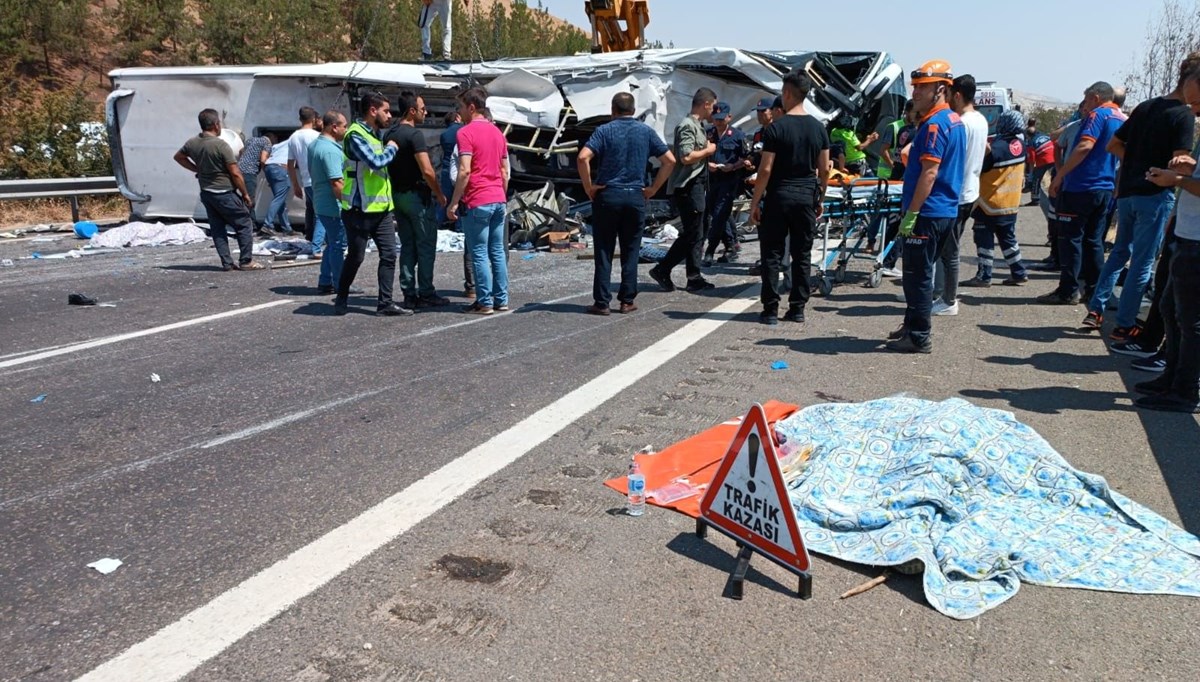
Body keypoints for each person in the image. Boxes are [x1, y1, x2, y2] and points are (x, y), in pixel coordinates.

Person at [1081, 59, 1196, 339]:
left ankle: (1095, 310)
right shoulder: (1183, 115)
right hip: (1155, 194)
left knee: (1119, 253)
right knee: (1143, 262)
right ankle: (1124, 323)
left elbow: (1114, 144)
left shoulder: (1146, 106)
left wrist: (1134, 163)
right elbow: (1179, 162)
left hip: (1128, 193)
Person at [886, 60, 966, 353]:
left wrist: (912, 213)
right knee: (919, 273)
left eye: (922, 87)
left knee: (917, 276)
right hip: (944, 210)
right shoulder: (954, 121)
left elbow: (929, 172)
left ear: (941, 89)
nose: (916, 93)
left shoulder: (935, 125)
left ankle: (919, 335)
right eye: (916, 87)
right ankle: (911, 324)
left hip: (928, 212)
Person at [577, 92, 676, 315]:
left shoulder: (604, 131)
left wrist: (589, 187)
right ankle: (627, 300)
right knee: (631, 249)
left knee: (604, 250)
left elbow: (583, 157)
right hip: (635, 196)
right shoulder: (646, 131)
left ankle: (602, 302)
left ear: (613, 110)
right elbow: (669, 160)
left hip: (608, 195)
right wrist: (653, 188)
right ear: (633, 110)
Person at [1137, 71, 1200, 413]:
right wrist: (1187, 168)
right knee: (1171, 311)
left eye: (1197, 102)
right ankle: (1172, 380)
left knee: (1190, 321)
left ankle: (1187, 391)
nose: (1193, 111)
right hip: (1186, 233)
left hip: (1197, 241)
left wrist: (1175, 179)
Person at [749, 70, 830, 325]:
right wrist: (820, 198)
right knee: (801, 253)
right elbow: (825, 169)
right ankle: (797, 308)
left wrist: (755, 202)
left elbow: (765, 170)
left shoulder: (775, 129)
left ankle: (770, 309)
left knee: (772, 253)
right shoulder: (819, 129)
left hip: (779, 195)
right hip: (805, 195)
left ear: (786, 93)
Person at [1040, 82, 1125, 305]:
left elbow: (1085, 146)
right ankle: (1093, 289)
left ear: (1096, 97)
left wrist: (1060, 175)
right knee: (1094, 240)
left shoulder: (1097, 115)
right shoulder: (1121, 118)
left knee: (1070, 239)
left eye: (1086, 99)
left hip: (1080, 187)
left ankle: (1068, 290)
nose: (1084, 105)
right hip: (1104, 188)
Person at [335, 92, 410, 317]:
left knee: (389, 255)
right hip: (359, 210)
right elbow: (376, 162)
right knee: (356, 257)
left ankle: (385, 303)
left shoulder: (376, 135)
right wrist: (393, 148)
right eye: (386, 111)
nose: (390, 115)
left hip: (382, 210)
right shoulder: (355, 135)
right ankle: (341, 296)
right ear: (372, 111)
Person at [172, 108, 264, 271]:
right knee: (244, 222)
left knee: (217, 227)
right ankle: (246, 261)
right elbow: (235, 173)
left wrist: (197, 169)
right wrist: (245, 194)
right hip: (224, 192)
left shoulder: (192, 143)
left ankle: (227, 263)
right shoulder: (221, 145)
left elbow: (179, 157)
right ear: (216, 124)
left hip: (207, 193)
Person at [447, 87, 511, 315]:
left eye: (461, 107)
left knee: (479, 252)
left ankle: (484, 301)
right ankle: (501, 298)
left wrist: (454, 202)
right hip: (498, 199)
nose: (460, 112)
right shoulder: (498, 133)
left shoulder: (465, 133)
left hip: (478, 199)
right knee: (497, 251)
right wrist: (501, 194)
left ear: (471, 107)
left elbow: (464, 170)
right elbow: (504, 172)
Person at [648, 87, 718, 293]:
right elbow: (686, 156)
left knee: (698, 231)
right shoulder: (687, 126)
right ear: (705, 104)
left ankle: (692, 276)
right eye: (713, 106)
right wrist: (708, 151)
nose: (714, 111)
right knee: (692, 234)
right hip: (688, 187)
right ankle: (665, 269)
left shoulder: (698, 126)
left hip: (697, 186)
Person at [932, 75, 988, 317]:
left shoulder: (961, 123)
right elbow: (985, 149)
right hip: (970, 190)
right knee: (946, 247)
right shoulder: (981, 120)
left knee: (949, 251)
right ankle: (939, 293)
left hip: (956, 192)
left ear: (956, 95)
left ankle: (948, 299)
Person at [387, 91, 449, 309]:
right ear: (412, 111)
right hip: (417, 197)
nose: (426, 112)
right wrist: (440, 194)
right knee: (425, 245)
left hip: (397, 196)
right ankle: (426, 292)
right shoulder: (414, 136)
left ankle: (408, 292)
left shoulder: (391, 133)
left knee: (407, 245)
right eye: (423, 109)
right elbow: (427, 170)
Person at [962, 109, 1028, 287]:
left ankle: (984, 276)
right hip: (1010, 202)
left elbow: (980, 167)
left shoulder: (997, 148)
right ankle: (1018, 271)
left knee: (983, 238)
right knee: (1008, 238)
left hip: (989, 202)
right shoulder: (1021, 146)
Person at [308, 110, 359, 296]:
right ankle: (340, 284)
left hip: (322, 202)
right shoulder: (330, 150)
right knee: (338, 245)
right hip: (333, 206)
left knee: (332, 244)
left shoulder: (315, 145)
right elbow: (337, 182)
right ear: (334, 127)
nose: (346, 129)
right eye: (344, 126)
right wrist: (349, 204)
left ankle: (325, 281)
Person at [702, 102, 750, 265]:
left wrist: (733, 166)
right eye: (716, 119)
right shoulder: (708, 134)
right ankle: (730, 245)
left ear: (729, 117)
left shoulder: (737, 136)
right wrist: (707, 165)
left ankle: (710, 249)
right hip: (712, 179)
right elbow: (702, 154)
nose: (718, 122)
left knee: (719, 214)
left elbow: (746, 158)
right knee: (717, 212)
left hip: (729, 180)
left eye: (722, 119)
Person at [437, 110, 474, 298]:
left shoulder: (444, 135)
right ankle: (459, 226)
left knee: (449, 200)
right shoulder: (464, 132)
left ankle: (445, 220)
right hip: (469, 181)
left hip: (448, 170)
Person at [287, 107, 321, 245]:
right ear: (313, 119)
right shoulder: (317, 136)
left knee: (311, 209)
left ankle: (310, 236)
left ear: (300, 119)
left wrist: (295, 185)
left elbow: (290, 164)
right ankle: (317, 244)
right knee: (321, 213)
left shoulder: (293, 137)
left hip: (305, 180)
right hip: (319, 180)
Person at [262, 133, 293, 234]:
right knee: (279, 197)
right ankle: (267, 224)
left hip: (269, 168)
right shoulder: (296, 143)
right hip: (280, 168)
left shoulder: (277, 145)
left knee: (280, 199)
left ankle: (287, 228)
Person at [236, 130, 270, 218]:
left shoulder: (250, 140)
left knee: (242, 197)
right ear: (272, 138)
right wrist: (267, 173)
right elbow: (263, 160)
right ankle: (251, 224)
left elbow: (240, 151)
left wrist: (242, 162)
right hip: (249, 172)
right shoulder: (267, 143)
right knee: (249, 200)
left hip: (238, 170)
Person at [1025, 120, 1055, 205]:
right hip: (1054, 157)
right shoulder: (1044, 136)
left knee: (1036, 179)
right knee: (1055, 177)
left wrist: (1030, 175)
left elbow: (1032, 160)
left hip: (1044, 160)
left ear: (1028, 135)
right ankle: (1055, 197)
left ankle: (1035, 200)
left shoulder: (1031, 142)